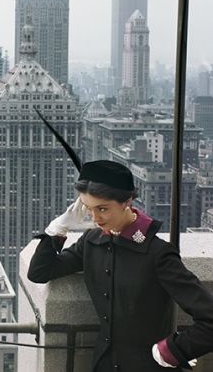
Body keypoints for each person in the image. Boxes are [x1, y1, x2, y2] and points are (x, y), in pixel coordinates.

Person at [27, 159, 213, 371]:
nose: (96, 218)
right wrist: (58, 227)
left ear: (127, 201)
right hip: (103, 365)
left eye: (103, 209)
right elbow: (39, 272)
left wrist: (171, 351)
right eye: (88, 209)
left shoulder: (157, 253)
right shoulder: (92, 241)